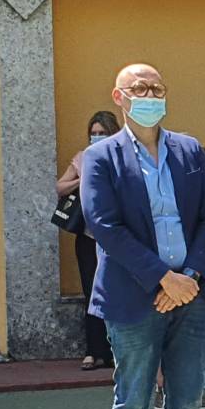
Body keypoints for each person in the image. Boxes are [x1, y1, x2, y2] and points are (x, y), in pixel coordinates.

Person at [81, 62, 205, 409]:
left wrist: (188, 276)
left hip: (191, 295)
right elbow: (104, 226)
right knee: (133, 403)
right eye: (140, 88)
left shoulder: (189, 151)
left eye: (158, 88)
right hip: (134, 297)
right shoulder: (101, 157)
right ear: (119, 96)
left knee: (186, 403)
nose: (150, 94)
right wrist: (161, 279)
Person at [57, 111, 121, 371]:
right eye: (93, 133)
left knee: (116, 292)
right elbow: (60, 187)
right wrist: (81, 178)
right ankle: (93, 350)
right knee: (92, 291)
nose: (96, 138)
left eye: (102, 133)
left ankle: (115, 350)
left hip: (116, 236)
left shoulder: (123, 157)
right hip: (88, 236)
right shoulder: (83, 158)